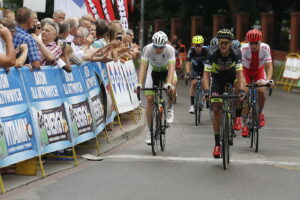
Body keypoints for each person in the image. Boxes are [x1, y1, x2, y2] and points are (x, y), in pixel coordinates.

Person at [203, 29, 245, 158]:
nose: (223, 46)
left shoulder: (236, 52)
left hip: (232, 75)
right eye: (221, 43)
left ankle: (237, 115)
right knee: (216, 108)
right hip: (218, 78)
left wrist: (242, 90)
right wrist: (206, 91)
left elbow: (240, 73)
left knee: (239, 88)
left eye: (226, 43)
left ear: (231, 43)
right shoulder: (212, 52)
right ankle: (217, 144)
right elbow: (206, 74)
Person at [136, 31, 176, 145]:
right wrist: (139, 83)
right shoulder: (148, 49)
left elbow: (172, 68)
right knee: (149, 99)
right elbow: (143, 66)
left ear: (165, 45)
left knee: (173, 84)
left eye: (160, 48)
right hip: (153, 71)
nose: (158, 50)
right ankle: (150, 131)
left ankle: (170, 109)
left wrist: (168, 83)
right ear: (153, 44)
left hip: (166, 70)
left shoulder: (170, 50)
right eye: (156, 47)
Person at [236, 29, 274, 137]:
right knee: (245, 93)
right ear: (248, 42)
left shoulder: (265, 48)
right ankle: (244, 124)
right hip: (245, 71)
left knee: (261, 90)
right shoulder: (243, 49)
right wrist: (242, 83)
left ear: (260, 42)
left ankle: (260, 113)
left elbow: (269, 66)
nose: (253, 45)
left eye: (256, 43)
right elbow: (239, 69)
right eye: (251, 43)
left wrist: (268, 80)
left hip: (258, 71)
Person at [185, 35, 208, 113]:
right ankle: (192, 105)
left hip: (205, 69)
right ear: (193, 45)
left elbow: (210, 63)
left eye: (199, 45)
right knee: (194, 83)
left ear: (202, 45)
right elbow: (188, 63)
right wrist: (187, 72)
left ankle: (205, 98)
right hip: (195, 69)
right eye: (196, 45)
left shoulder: (206, 50)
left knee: (204, 82)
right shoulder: (191, 51)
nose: (198, 47)